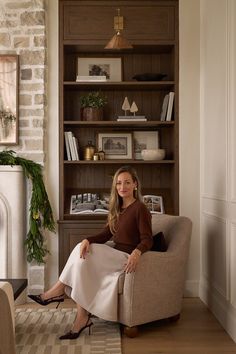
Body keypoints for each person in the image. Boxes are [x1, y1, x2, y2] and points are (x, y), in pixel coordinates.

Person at [28, 165, 153, 340]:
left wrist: (137, 253)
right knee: (82, 256)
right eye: (118, 183)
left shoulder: (140, 208)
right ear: (115, 187)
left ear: (135, 185)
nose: (122, 187)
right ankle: (81, 318)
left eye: (127, 183)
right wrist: (88, 239)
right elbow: (106, 234)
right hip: (113, 255)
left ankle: (56, 291)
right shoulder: (118, 209)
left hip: (125, 258)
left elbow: (147, 239)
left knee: (86, 254)